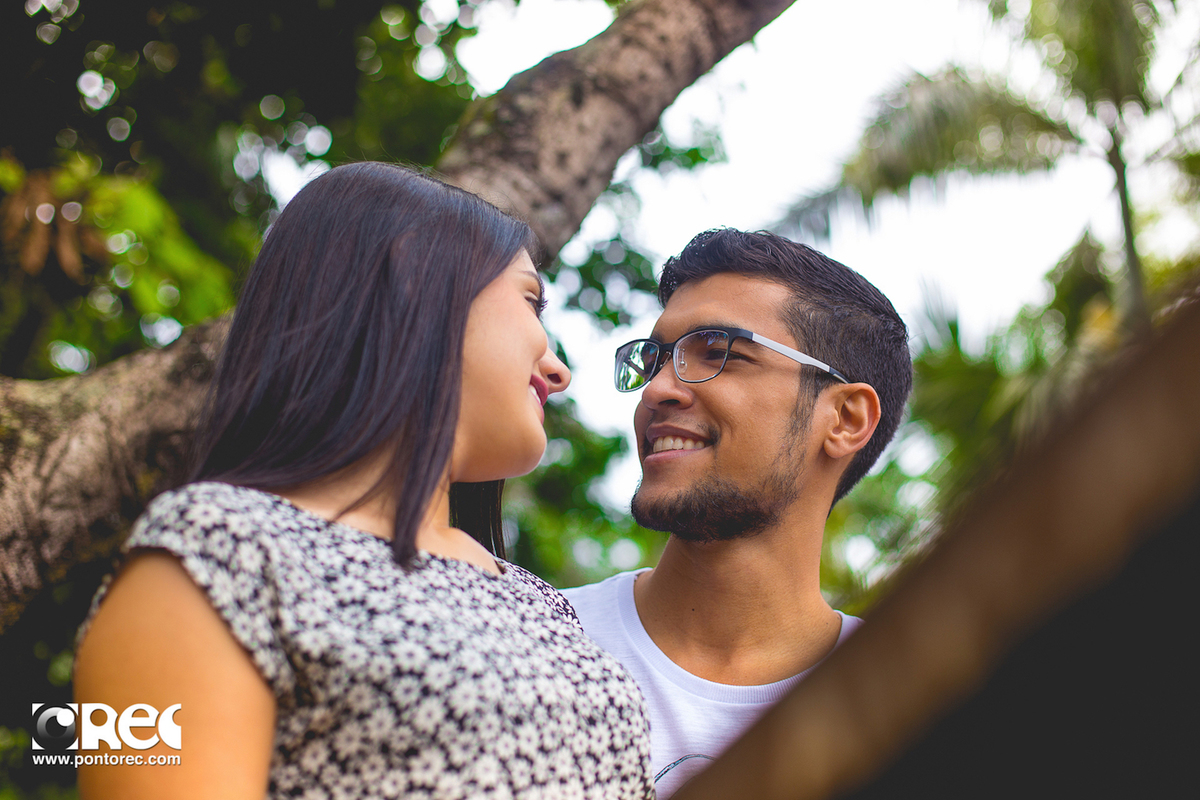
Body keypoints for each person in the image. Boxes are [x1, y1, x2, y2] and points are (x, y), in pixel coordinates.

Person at [73, 162, 654, 799]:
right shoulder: (211, 550)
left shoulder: (542, 603)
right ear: (413, 284)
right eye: (530, 302)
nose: (558, 368)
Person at [562, 228, 913, 797]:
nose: (656, 390)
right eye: (654, 359)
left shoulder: (909, 702)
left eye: (719, 351)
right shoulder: (533, 639)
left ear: (845, 419)